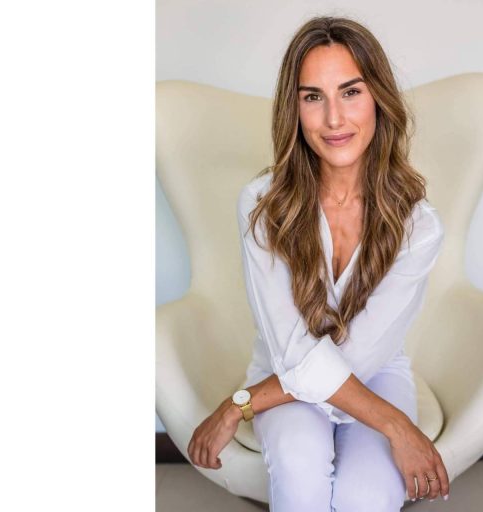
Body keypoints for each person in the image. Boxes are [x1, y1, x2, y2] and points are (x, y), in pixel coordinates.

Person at [187, 16, 450, 511]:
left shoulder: (418, 225)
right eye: (313, 97)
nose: (334, 118)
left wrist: (241, 404)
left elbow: (358, 356)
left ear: (378, 98)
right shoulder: (262, 204)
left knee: (367, 497)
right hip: (282, 371)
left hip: (374, 374)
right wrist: (398, 426)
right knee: (299, 467)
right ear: (294, 109)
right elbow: (294, 350)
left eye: (350, 92)